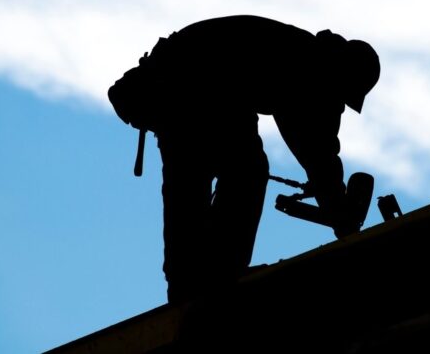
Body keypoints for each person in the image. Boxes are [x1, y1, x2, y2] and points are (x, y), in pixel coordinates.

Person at [108, 15, 380, 303]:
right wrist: (340, 213)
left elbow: (313, 144)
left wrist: (331, 197)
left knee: (193, 181)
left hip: (176, 87)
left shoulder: (303, 54)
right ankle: (213, 273)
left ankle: (188, 281)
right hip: (190, 86)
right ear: (343, 75)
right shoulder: (308, 66)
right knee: (243, 169)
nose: (338, 104)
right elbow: (316, 147)